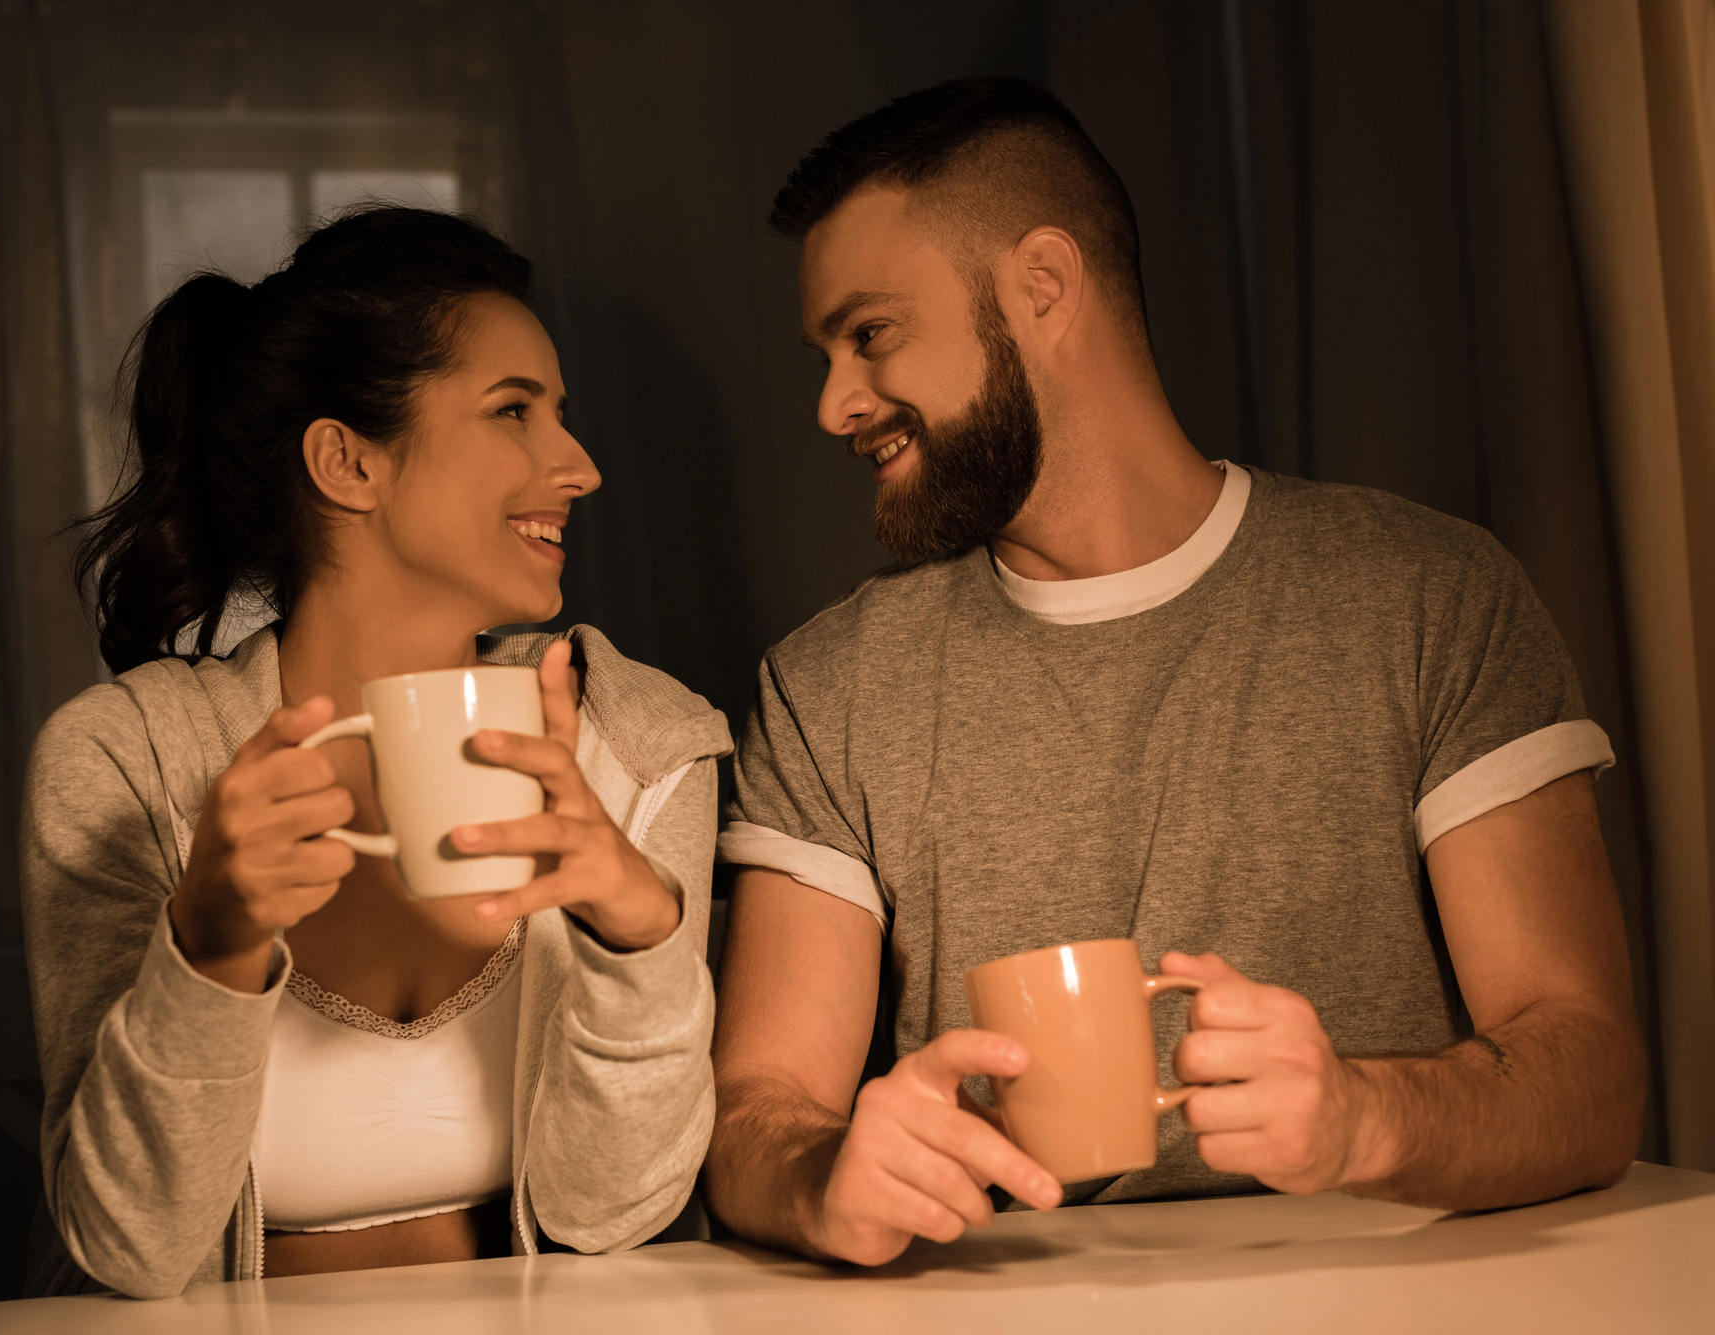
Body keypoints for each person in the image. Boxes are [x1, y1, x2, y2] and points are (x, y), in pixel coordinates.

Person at [704, 77, 1644, 1266]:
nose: (836, 402)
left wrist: (1361, 1119)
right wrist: (818, 1177)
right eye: (827, 350)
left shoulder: (1425, 594)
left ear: (1039, 287)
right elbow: (757, 1112)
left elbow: (1588, 1071)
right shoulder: (827, 685)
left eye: (871, 332)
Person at [20, 205, 729, 1299]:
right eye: (514, 412)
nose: (579, 466)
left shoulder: (637, 749)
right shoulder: (125, 766)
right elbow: (133, 1251)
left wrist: (638, 938)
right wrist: (206, 949)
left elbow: (607, 1217)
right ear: (347, 461)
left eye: (564, 416)